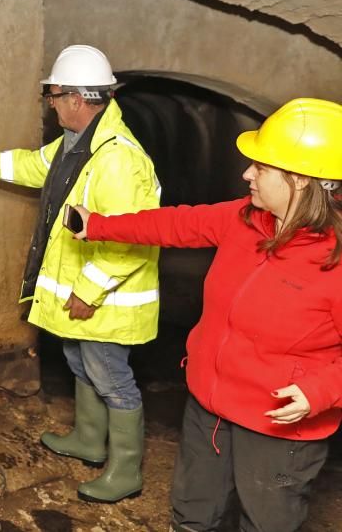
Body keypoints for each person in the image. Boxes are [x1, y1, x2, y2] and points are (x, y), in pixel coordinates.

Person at [71, 97, 342, 531]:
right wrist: (99, 225)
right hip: (210, 407)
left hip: (277, 428)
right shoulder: (245, 219)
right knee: (193, 511)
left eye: (262, 167)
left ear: (301, 180)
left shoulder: (335, 263)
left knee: (267, 522)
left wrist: (322, 390)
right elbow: (175, 225)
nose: (246, 173)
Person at [0, 44, 161, 503]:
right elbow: (36, 166)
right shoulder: (78, 145)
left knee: (112, 378)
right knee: (79, 363)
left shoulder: (118, 159)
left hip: (108, 300)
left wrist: (89, 292)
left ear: (76, 98)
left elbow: (132, 239)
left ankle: (126, 471)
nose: (51, 105)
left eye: (53, 96)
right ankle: (89, 441)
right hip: (81, 292)